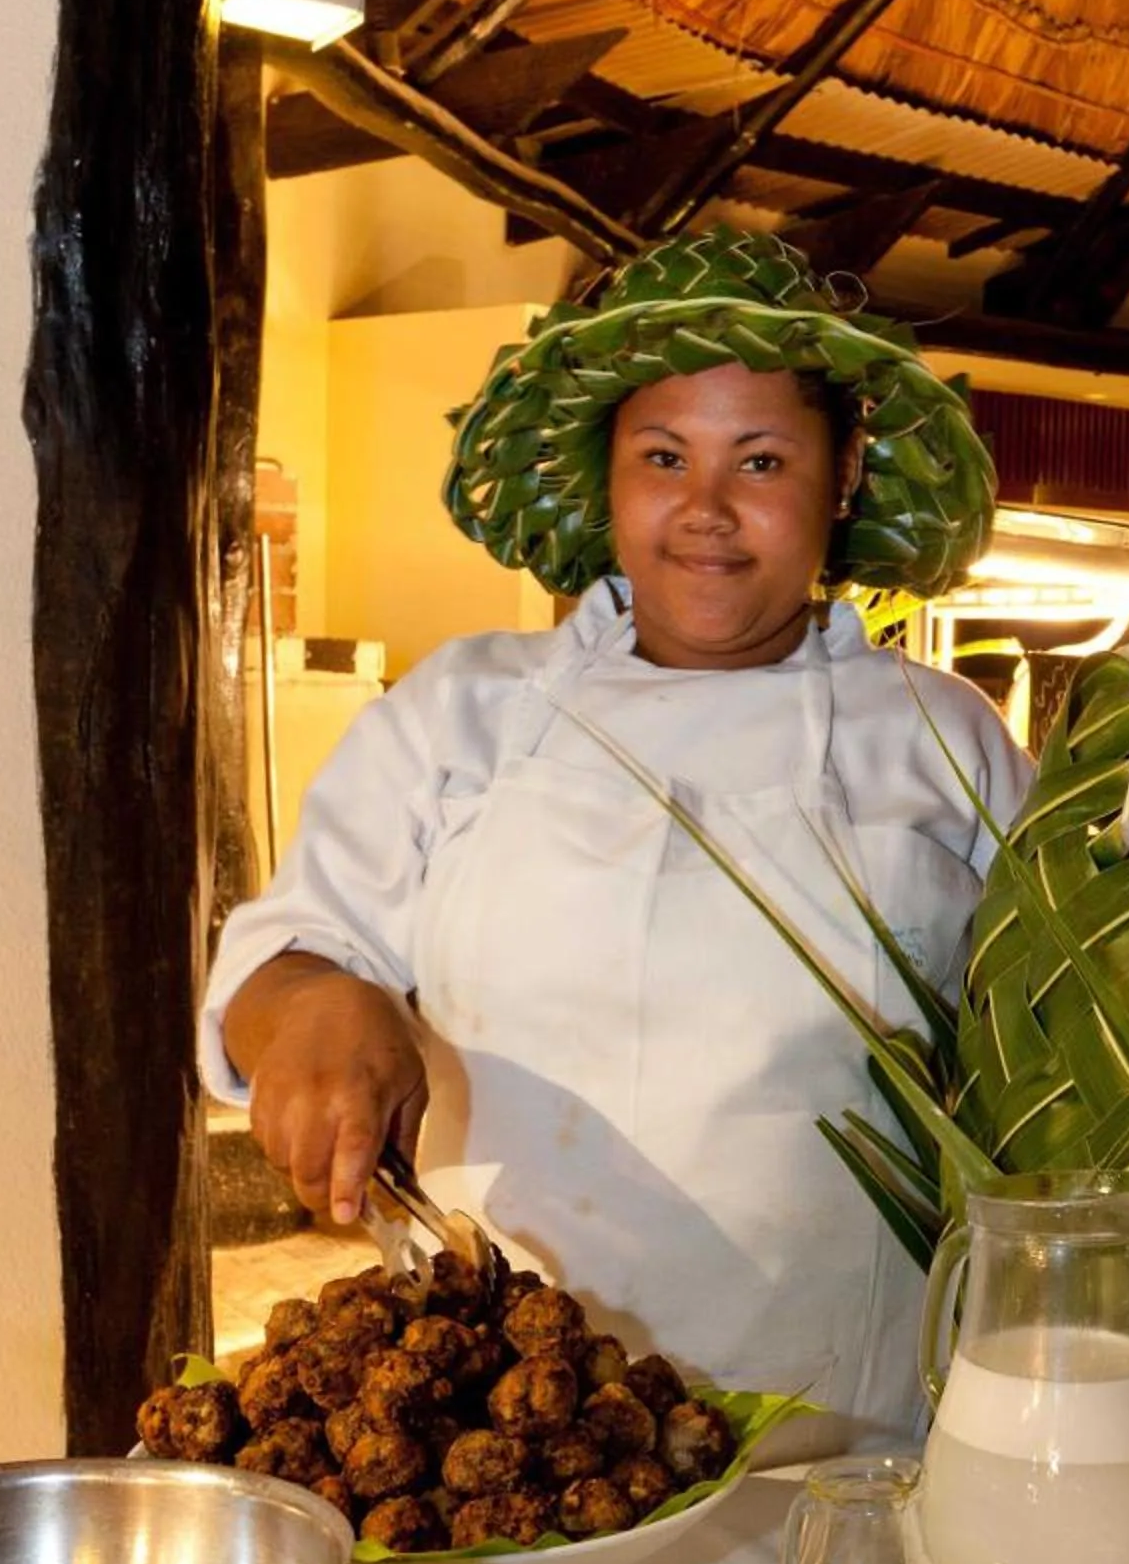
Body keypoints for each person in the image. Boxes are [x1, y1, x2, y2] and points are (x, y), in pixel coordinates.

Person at [204, 222, 1030, 1441]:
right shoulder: (467, 709)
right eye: (662, 456)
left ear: (842, 475)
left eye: (759, 462)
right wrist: (319, 1008)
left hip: (853, 1430)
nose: (703, 510)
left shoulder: (940, 736)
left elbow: (1065, 1033)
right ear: (607, 473)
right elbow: (279, 969)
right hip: (501, 1432)